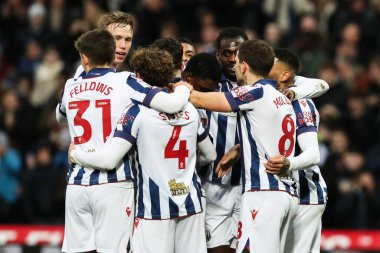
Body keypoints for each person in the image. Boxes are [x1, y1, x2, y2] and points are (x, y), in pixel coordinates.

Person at [69, 46, 216, 253]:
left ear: (138, 76)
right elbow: (210, 154)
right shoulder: (189, 109)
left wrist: (76, 154)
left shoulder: (135, 112)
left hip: (152, 209)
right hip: (191, 203)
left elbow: (109, 160)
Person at [190, 39, 298, 253]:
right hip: (287, 193)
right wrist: (239, 149)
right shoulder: (282, 98)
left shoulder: (255, 93)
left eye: (237, 61)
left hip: (263, 192)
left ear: (244, 66)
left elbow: (201, 100)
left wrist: (182, 88)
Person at [265, 48, 328, 253]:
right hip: (280, 192)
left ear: (284, 75)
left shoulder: (301, 104)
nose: (265, 65)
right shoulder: (266, 97)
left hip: (305, 194)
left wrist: (289, 164)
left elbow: (313, 154)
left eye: (270, 63)